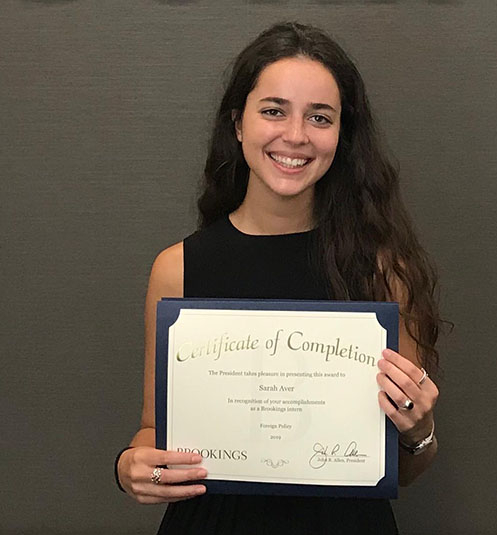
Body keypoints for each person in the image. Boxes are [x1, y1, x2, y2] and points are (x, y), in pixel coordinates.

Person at [115, 22, 443, 534]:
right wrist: (129, 467)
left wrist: (419, 430)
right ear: (238, 124)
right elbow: (152, 432)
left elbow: (403, 468)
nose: (295, 136)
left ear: (342, 136)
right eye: (273, 110)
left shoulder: (383, 270)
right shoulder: (177, 268)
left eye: (320, 117)